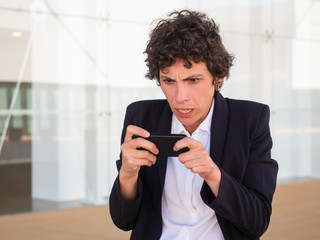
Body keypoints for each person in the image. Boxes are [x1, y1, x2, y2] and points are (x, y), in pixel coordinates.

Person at [109, 9, 278, 240]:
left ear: (218, 77)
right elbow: (123, 220)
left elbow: (257, 220)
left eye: (193, 80)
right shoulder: (141, 117)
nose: (180, 97)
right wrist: (127, 174)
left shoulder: (250, 119)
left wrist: (212, 174)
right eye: (168, 81)